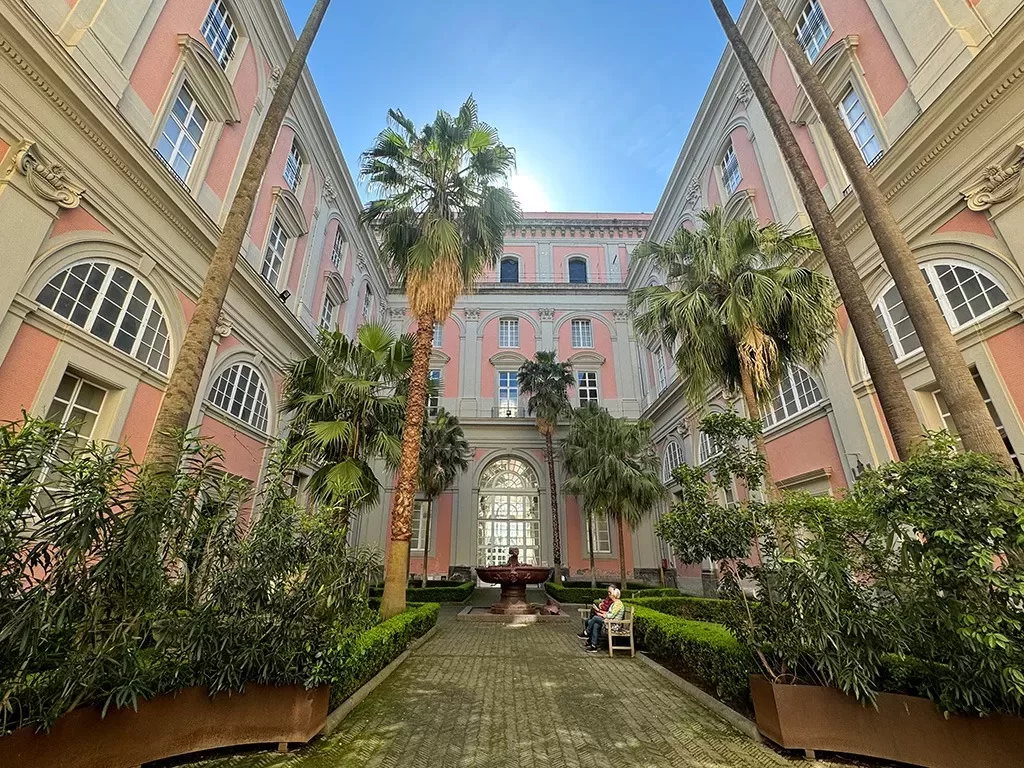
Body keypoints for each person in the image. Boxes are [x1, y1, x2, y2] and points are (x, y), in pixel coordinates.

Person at [581, 587, 623, 652]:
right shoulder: (614, 603)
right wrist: (599, 611)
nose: (609, 595)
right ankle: (593, 645)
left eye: (611, 593)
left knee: (595, 618)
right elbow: (608, 613)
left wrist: (601, 614)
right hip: (609, 622)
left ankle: (587, 632)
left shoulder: (618, 604)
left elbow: (611, 616)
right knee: (596, 624)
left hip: (613, 624)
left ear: (614, 595)